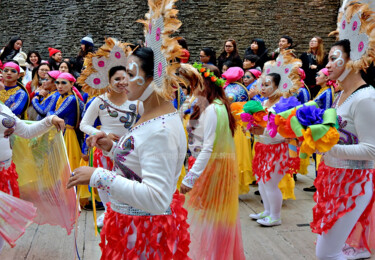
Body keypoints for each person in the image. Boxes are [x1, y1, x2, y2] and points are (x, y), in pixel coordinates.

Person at [67, 2, 190, 257]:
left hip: (143, 232)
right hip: (130, 226)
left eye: (131, 74)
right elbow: (139, 163)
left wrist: (98, 176)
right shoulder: (151, 113)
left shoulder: (161, 129)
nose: (124, 82)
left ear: (153, 79)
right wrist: (112, 148)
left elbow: (157, 198)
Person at [311, 3, 375, 259]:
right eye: (329, 58)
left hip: (355, 183)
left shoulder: (366, 98)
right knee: (335, 245)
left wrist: (327, 146)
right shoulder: (339, 96)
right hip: (332, 178)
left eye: (334, 57)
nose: (328, 64)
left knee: (325, 253)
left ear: (355, 58)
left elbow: (372, 149)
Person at [180, 63, 245, 259]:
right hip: (212, 165)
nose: (191, 88)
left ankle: (211, 254)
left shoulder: (212, 109)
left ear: (204, 84)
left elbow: (207, 147)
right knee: (213, 216)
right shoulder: (217, 105)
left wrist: (190, 177)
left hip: (210, 167)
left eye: (194, 83)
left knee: (208, 217)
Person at [78, 38, 142, 227]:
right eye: (117, 79)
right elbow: (84, 124)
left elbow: (148, 123)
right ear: (109, 81)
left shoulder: (137, 101)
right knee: (104, 182)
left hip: (129, 149)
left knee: (126, 182)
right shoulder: (99, 101)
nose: (122, 82)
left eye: (125, 78)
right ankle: (108, 211)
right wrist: (103, 134)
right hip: (104, 148)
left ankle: (124, 211)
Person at [0, 75, 65, 252]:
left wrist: (49, 120)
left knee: (1, 225)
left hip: (6, 173)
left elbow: (27, 131)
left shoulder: (3, 108)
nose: (1, 77)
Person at [249, 51, 301, 226]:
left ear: (279, 86)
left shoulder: (285, 105)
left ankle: (276, 216)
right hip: (263, 148)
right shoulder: (264, 104)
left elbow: (288, 132)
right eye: (262, 84)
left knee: (270, 183)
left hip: (278, 149)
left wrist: (262, 130)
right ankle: (267, 211)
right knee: (262, 181)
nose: (262, 88)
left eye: (267, 85)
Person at [48, 72, 83, 173]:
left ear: (72, 84)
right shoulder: (61, 97)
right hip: (60, 132)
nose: (59, 86)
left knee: (65, 165)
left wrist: (50, 113)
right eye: (57, 83)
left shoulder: (71, 99)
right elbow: (50, 113)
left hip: (68, 134)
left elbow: (54, 114)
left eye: (63, 83)